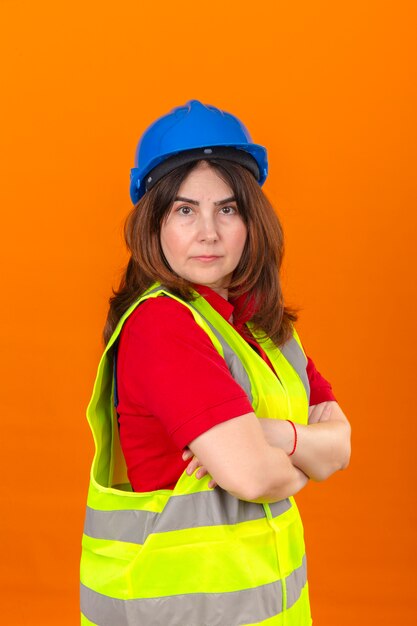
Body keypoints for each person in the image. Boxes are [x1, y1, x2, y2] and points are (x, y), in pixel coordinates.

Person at [80, 99, 351, 626]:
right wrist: (298, 455)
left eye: (227, 209)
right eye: (185, 210)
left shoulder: (262, 327)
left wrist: (273, 436)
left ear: (251, 220)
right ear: (154, 225)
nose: (208, 231)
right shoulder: (163, 326)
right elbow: (252, 477)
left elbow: (341, 446)